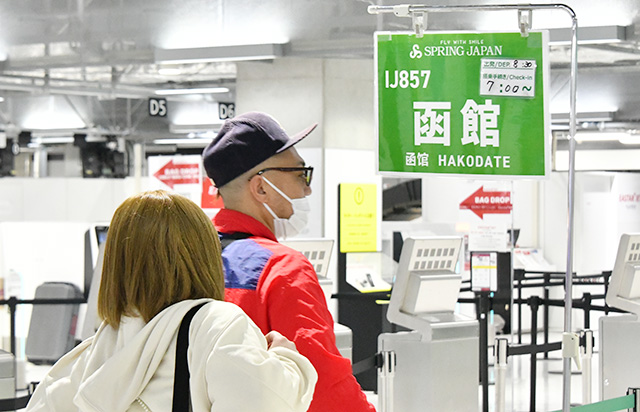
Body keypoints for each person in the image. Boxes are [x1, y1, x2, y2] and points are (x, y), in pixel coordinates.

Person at [26, 190, 317, 412]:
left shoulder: (92, 353)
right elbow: (265, 400)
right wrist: (287, 358)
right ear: (203, 255)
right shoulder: (217, 325)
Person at [202, 112, 376, 412]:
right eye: (300, 174)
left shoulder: (188, 257)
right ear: (261, 188)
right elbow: (322, 385)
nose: (307, 189)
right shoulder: (282, 269)